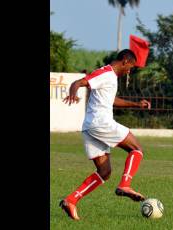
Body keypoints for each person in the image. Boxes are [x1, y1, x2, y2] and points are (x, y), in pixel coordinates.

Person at [60, 49, 151, 220]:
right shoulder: (106, 73)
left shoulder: (111, 77)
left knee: (104, 171)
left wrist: (136, 104)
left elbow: (111, 100)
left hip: (89, 127)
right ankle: (125, 185)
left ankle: (71, 200)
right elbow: (79, 82)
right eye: (130, 67)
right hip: (100, 123)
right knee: (137, 149)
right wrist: (73, 92)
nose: (129, 71)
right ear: (125, 61)